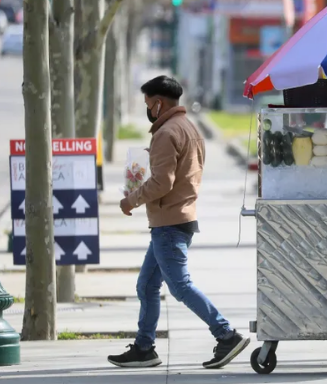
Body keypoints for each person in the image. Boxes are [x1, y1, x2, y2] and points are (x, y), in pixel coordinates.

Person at [108, 76, 250, 369]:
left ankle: (226, 335)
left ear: (158, 103)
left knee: (180, 287)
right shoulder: (189, 127)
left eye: (149, 104)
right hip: (178, 218)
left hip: (169, 223)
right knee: (147, 287)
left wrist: (131, 199)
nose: (148, 110)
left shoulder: (165, 133)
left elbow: (163, 182)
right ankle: (144, 348)